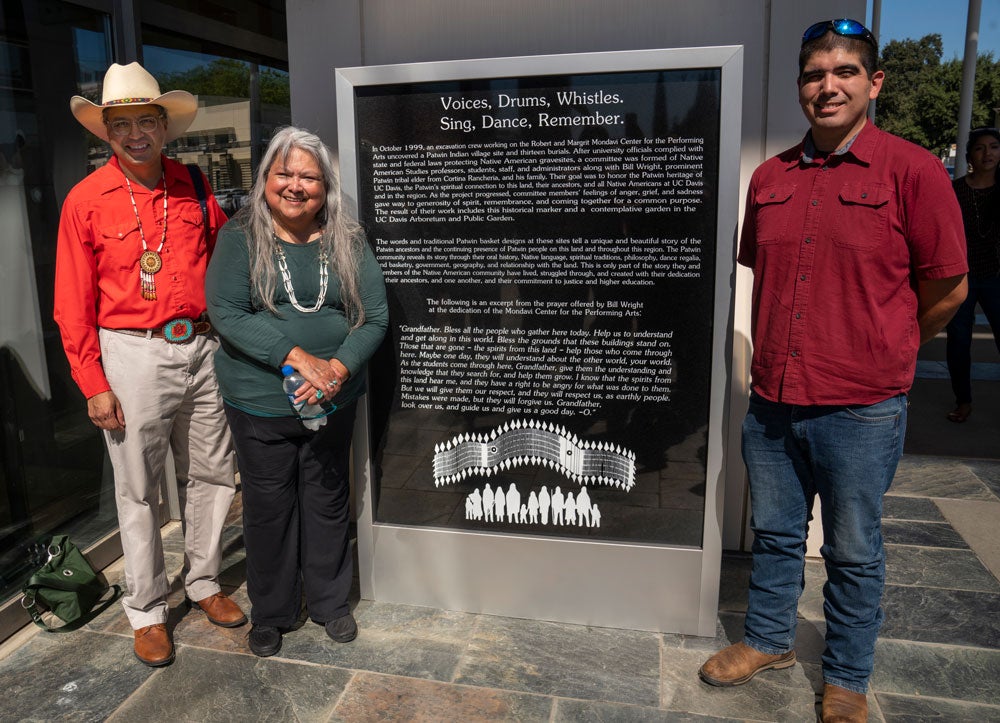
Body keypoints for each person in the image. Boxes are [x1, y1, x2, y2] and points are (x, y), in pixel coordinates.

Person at [697, 19, 968, 723]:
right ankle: (767, 639)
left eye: (845, 72)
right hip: (775, 399)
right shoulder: (771, 178)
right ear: (800, 89)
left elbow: (949, 288)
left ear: (873, 84)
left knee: (851, 547)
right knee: (779, 532)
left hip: (861, 406)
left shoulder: (914, 172)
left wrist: (891, 346)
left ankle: (846, 675)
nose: (829, 86)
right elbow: (764, 269)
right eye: (816, 75)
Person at [54, 62, 246, 667]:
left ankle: (205, 582)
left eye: (145, 121)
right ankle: (147, 610)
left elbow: (224, 265)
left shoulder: (194, 184)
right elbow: (70, 303)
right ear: (105, 133)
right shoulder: (85, 201)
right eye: (121, 124)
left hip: (203, 346)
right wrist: (93, 382)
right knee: (139, 488)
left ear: (165, 127)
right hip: (131, 353)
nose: (134, 133)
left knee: (214, 472)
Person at [206, 127, 388, 657]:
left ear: (326, 187)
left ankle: (331, 604)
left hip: (333, 397)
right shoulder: (239, 238)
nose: (294, 186)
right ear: (265, 179)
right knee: (267, 507)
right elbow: (228, 313)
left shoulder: (346, 241)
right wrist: (298, 359)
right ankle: (273, 610)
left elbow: (373, 317)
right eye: (283, 173)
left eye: (308, 176)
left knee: (328, 500)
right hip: (258, 401)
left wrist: (335, 369)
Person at [945, 127, 1000, 423]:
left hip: (996, 276)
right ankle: (963, 400)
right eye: (981, 148)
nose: (988, 153)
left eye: (994, 147)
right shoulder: (955, 190)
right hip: (962, 276)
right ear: (970, 155)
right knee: (958, 340)